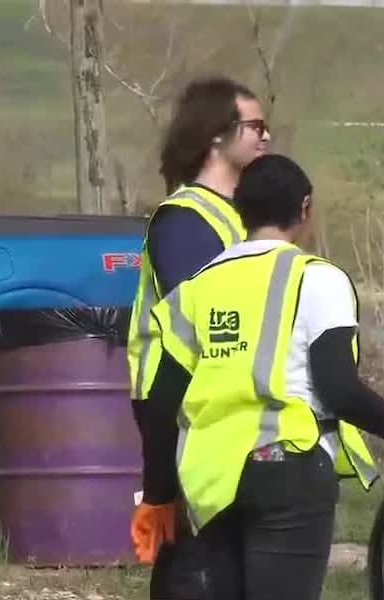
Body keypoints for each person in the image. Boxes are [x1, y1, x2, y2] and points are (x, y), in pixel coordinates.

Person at [136, 154, 384, 600]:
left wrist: (158, 495)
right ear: (305, 208)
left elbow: (161, 401)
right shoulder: (318, 279)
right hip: (289, 469)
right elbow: (338, 390)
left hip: (209, 478)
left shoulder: (197, 286)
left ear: (239, 210)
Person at [127, 75, 270, 599]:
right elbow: (200, 319)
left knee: (223, 549)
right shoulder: (185, 219)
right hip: (178, 402)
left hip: (222, 404)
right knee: (192, 555)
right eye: (255, 126)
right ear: (216, 135)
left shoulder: (240, 219)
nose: (266, 138)